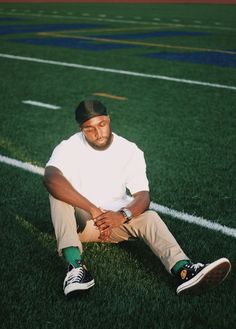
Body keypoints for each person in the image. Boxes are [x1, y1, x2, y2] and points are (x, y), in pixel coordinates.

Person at [43, 99, 231, 297]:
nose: (98, 134)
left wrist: (121, 216)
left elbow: (143, 196)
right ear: (81, 128)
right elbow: (50, 178)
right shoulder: (69, 147)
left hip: (117, 223)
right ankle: (76, 269)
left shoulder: (129, 150)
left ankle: (185, 270)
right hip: (82, 223)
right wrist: (93, 210)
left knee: (150, 217)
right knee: (58, 194)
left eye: (102, 125)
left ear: (108, 119)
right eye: (89, 129)